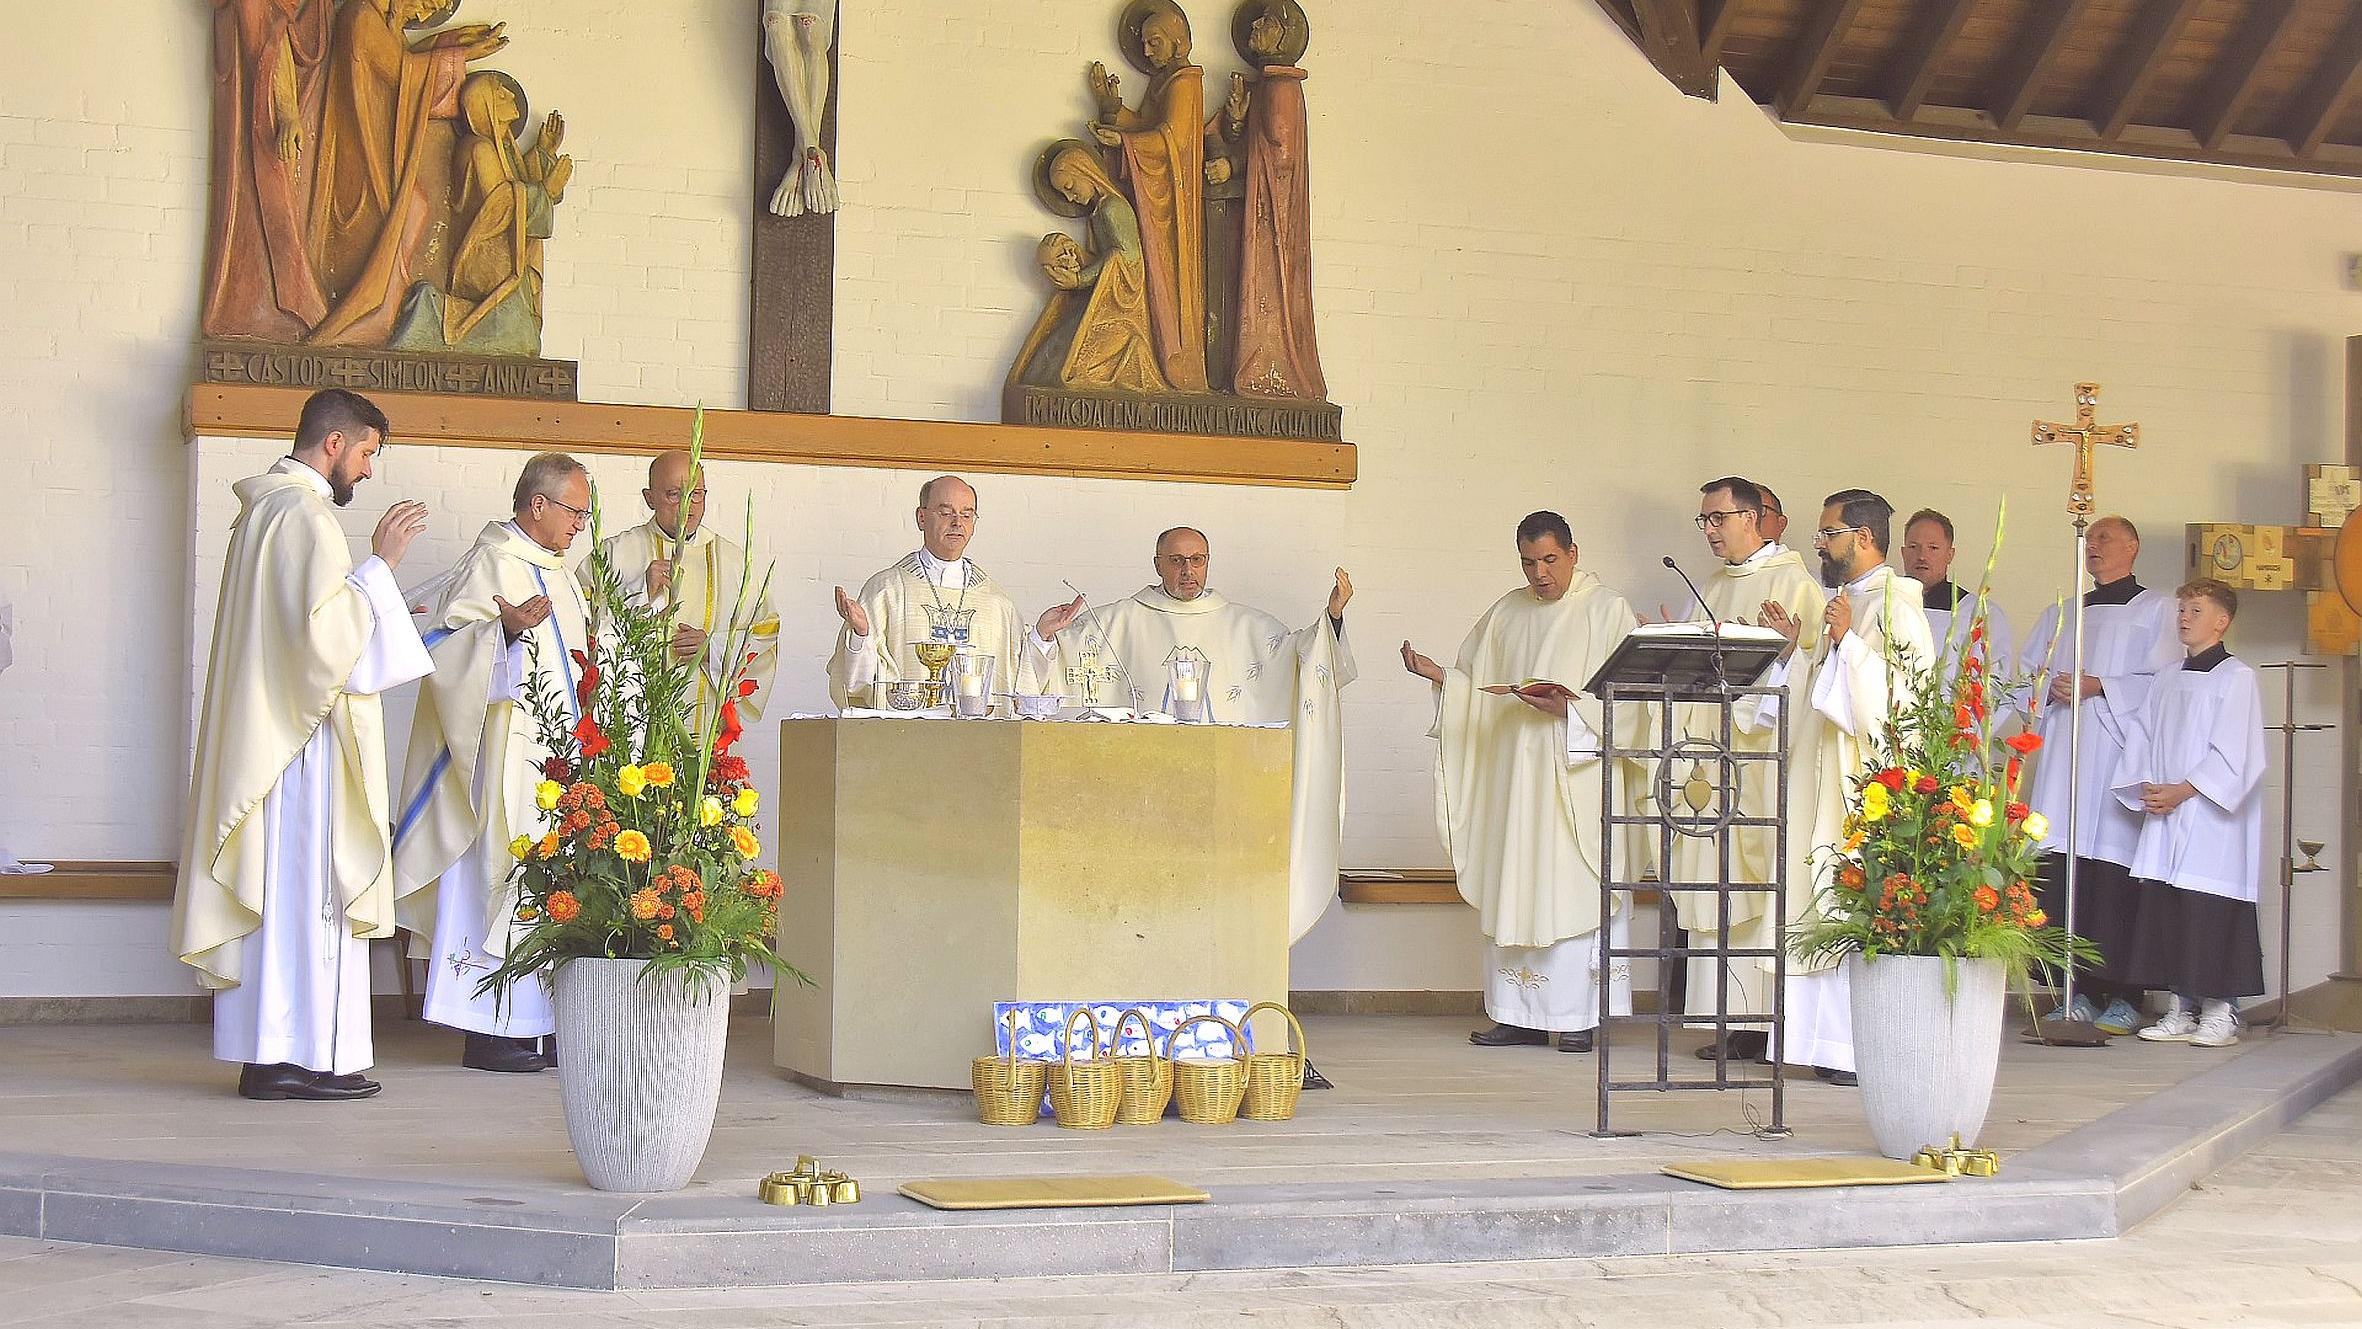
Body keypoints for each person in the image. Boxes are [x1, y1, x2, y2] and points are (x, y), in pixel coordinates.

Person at [171, 389, 431, 1100]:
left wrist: (374, 604)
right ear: (336, 444)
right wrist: (378, 568)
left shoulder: (266, 511)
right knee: (309, 894)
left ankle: (273, 1053)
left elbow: (302, 628)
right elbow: (319, 646)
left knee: (285, 895)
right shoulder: (303, 516)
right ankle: (300, 1056)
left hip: (277, 741)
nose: (370, 471)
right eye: (369, 453)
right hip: (302, 754)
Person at [1034, 527, 1354, 941]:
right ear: (1157, 565)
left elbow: (1306, 661)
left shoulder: (1249, 628)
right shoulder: (1115, 622)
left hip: (1221, 802)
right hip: (1140, 799)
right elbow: (1057, 662)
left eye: (1197, 560)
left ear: (1208, 563)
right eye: (1176, 561)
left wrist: (1332, 619)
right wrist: (1044, 636)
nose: (1188, 570)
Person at [1402, 511, 1637, 1053]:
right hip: (1515, 781)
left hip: (1575, 781)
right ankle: (1518, 1015)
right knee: (1518, 882)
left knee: (1572, 885)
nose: (1540, 574)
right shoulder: (1506, 611)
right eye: (1529, 563)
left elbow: (1634, 703)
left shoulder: (1608, 611)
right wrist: (1443, 679)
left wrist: (1573, 711)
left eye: (1550, 560)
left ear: (1574, 553)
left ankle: (1579, 1016)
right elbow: (1477, 684)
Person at [394, 452, 593, 1074]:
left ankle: (538, 1023)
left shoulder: (563, 574)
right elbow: (445, 650)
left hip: (556, 758)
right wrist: (500, 633)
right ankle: (488, 1025)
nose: (580, 524)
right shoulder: (492, 562)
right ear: (538, 505)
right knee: (497, 874)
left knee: (552, 882)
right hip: (502, 759)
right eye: (574, 510)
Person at [1758, 490, 1933, 1085]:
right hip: (1818, 776)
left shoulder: (1897, 606)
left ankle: (1853, 1047)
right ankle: (1817, 1040)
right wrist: (1794, 649)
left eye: (1828, 533)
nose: (1820, 544)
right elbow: (1817, 689)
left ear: (1863, 536)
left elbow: (1906, 702)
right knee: (1814, 898)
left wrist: (1846, 645)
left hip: (1861, 787)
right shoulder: (1845, 602)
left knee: (1847, 899)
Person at [1671, 477, 1826, 1065]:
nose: (1709, 529)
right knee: (1715, 887)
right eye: (1704, 520)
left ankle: (1767, 1022)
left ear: (1754, 517)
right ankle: (1732, 1019)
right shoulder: (1710, 585)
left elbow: (1813, 679)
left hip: (1762, 764)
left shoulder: (1795, 584)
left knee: (1758, 891)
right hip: (1709, 763)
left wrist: (1786, 655)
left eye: (1718, 518)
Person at [2016, 515, 2182, 1035]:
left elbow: (2168, 685)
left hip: (2116, 762)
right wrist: (2050, 689)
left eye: (2105, 538)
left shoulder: (2156, 611)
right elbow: (2025, 679)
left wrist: (2100, 685)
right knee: (2067, 874)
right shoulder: (2063, 614)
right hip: (2066, 761)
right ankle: (2075, 990)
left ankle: (2126, 994)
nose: (2094, 547)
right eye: (2090, 540)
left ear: (2132, 546)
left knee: (2114, 877)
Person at [2114, 579, 2267, 1048]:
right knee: (2171, 908)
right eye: (2182, 609)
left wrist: (2183, 790)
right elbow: (2141, 736)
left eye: (2195, 610)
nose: (2183, 617)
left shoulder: (2235, 677)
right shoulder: (2165, 677)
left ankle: (2221, 1011)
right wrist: (2146, 787)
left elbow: (2236, 754)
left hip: (2208, 819)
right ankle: (2181, 1007)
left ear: (2221, 622)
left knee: (2208, 908)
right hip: (2166, 807)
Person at [828, 475, 1066, 709]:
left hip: (980, 740)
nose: (957, 523)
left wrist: (1041, 636)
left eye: (966, 514)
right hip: (906, 740)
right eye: (945, 512)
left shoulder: (996, 602)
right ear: (921, 518)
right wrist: (861, 635)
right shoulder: (887, 591)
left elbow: (1020, 679)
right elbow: (858, 687)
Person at [586, 451, 779, 732]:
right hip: (629, 730)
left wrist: (713, 649)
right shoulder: (613, 555)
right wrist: (640, 593)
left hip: (707, 724)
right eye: (674, 494)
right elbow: (580, 628)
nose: (688, 505)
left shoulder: (734, 562)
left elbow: (766, 631)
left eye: (697, 494)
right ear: (649, 497)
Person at [1086, 7, 1209, 392]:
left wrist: (1123, 142)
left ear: (1177, 42)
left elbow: (1171, 141)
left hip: (1173, 204)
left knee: (1168, 275)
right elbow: (1146, 126)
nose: (1149, 51)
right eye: (1144, 44)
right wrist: (1112, 109)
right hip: (1158, 197)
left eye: (1155, 43)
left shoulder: (1185, 82)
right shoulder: (1164, 82)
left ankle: (1175, 360)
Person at [1901, 508, 2015, 692]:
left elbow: (1995, 683)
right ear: (1903, 552)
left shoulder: (1977, 613)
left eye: (1933, 548)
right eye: (1914, 547)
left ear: (1950, 554)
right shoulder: (1883, 606)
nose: (1922, 556)